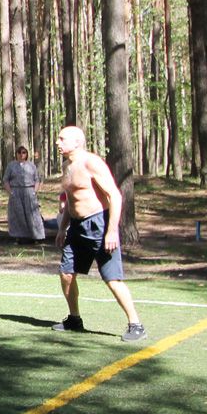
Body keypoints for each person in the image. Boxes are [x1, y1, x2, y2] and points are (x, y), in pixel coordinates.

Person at [51, 126, 147, 342]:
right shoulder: (66, 166)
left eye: (62, 139)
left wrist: (112, 231)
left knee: (112, 279)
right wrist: (63, 228)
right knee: (66, 273)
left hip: (99, 225)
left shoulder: (91, 163)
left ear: (77, 142)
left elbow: (115, 196)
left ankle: (136, 324)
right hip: (76, 227)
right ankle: (74, 318)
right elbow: (71, 201)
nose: (57, 142)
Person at [4, 146, 47, 242]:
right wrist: (10, 192)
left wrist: (34, 191)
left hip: (29, 191)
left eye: (23, 152)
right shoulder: (11, 166)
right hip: (16, 191)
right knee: (17, 214)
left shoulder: (31, 166)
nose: (21, 154)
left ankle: (36, 236)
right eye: (19, 152)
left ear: (26, 154)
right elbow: (6, 180)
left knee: (32, 214)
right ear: (16, 154)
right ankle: (19, 237)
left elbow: (37, 180)